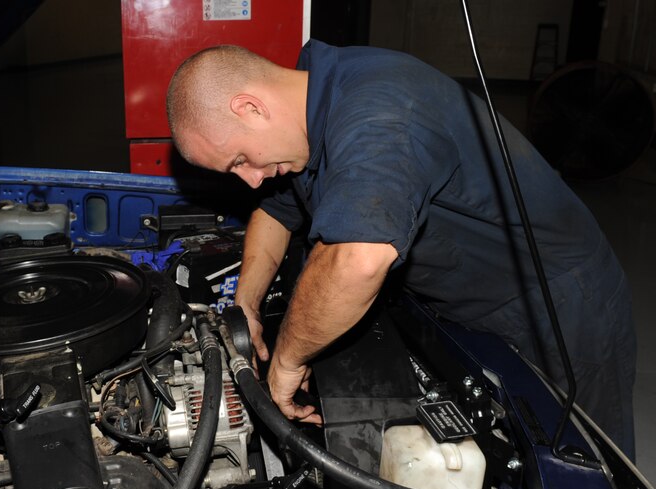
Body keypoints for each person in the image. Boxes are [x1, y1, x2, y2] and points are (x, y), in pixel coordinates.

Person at [166, 40, 637, 457]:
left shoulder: (381, 113)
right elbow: (274, 212)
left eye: (241, 160)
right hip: (468, 299)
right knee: (502, 450)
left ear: (250, 107)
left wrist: (288, 360)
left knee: (586, 469)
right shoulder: (306, 105)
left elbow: (359, 260)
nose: (250, 178)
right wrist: (245, 305)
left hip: (558, 300)